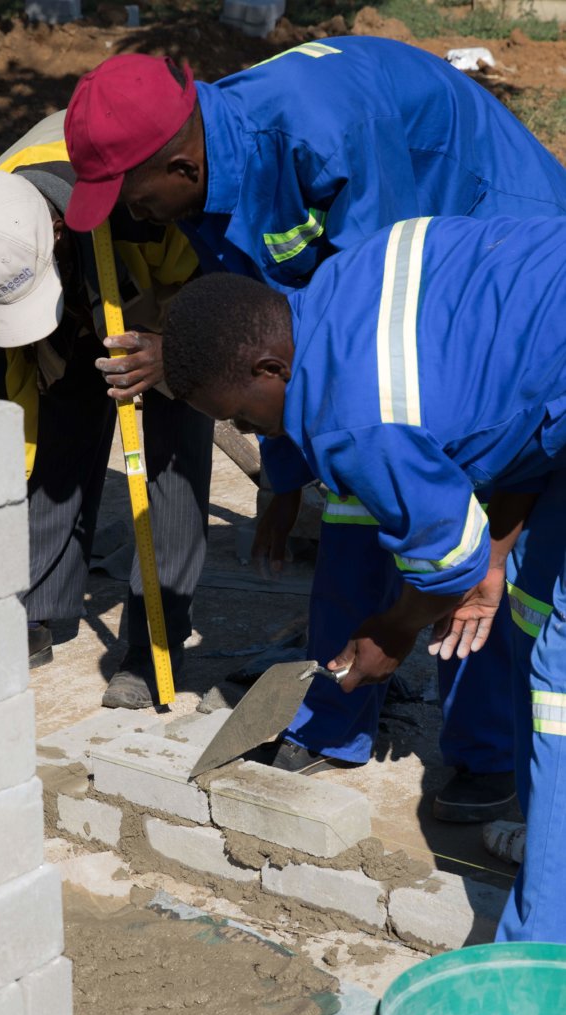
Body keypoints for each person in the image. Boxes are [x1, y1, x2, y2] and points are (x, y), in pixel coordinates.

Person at [63, 40, 566, 820]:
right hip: (385, 321)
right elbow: (281, 332)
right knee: (365, 495)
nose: (132, 216)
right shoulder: (208, 176)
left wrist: (404, 617)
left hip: (494, 251)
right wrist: (283, 479)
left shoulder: (324, 133)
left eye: (131, 196)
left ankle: (484, 750)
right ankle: (334, 716)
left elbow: (373, 365)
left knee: (460, 508)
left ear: (179, 167)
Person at [159, 213, 566, 943]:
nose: (254, 433)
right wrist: (499, 553)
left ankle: (540, 950)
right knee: (535, 619)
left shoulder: (353, 416)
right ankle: (549, 841)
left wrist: (390, 631)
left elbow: (446, 560)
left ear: (268, 370)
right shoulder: (341, 287)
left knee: (559, 680)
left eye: (240, 417)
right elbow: (520, 405)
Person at [0, 118, 213, 708]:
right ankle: (37, 605)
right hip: (76, 283)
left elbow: (209, 287)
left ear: (60, 233)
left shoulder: (141, 201)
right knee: (53, 411)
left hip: (172, 301)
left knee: (170, 449)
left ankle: (154, 647)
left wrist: (173, 357)